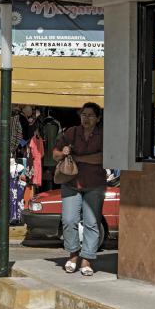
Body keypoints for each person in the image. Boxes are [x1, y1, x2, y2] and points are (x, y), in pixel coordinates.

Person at [53, 102, 105, 277]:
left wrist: (78, 158)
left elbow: (102, 159)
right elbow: (55, 154)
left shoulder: (103, 134)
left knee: (92, 223)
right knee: (68, 220)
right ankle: (73, 254)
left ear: (98, 118)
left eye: (90, 115)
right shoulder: (71, 132)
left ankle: (87, 259)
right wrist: (64, 153)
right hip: (71, 183)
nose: (86, 118)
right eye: (84, 115)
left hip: (95, 183)